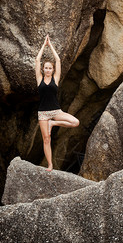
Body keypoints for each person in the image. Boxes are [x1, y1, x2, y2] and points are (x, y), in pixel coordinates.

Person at [35, 35, 79, 171]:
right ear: (43, 69)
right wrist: (43, 45)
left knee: (75, 122)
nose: (48, 70)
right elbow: (37, 60)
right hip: (43, 113)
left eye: (50, 68)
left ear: (53, 70)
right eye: (46, 68)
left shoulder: (55, 79)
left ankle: (53, 124)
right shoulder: (39, 79)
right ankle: (50, 164)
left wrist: (50, 45)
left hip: (56, 112)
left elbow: (58, 60)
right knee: (46, 139)